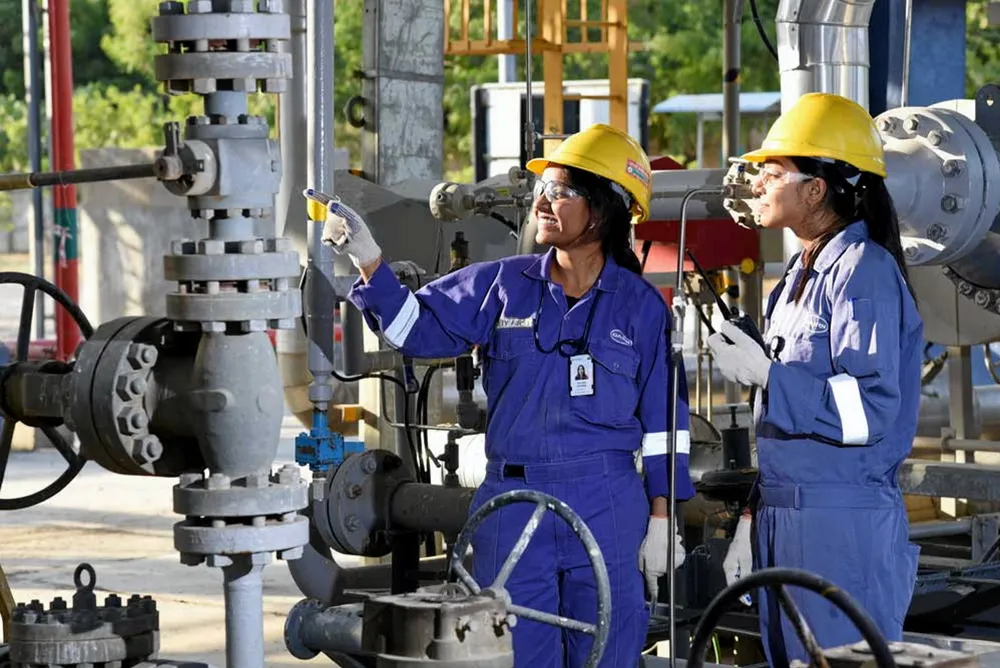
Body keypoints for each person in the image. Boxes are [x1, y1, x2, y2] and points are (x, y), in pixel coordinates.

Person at [320, 123, 696, 667]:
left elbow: (665, 424)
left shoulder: (641, 308)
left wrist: (663, 517)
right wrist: (369, 261)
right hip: (513, 501)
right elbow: (413, 329)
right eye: (544, 188)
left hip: (608, 503)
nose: (543, 201)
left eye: (561, 191)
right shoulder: (502, 284)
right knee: (515, 655)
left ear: (605, 209)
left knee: (609, 654)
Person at [707, 92, 924, 666]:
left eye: (773, 171)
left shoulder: (863, 272)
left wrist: (768, 377)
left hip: (839, 527)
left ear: (815, 189)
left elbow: (869, 412)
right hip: (785, 518)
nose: (758, 183)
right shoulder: (797, 277)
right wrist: (752, 517)